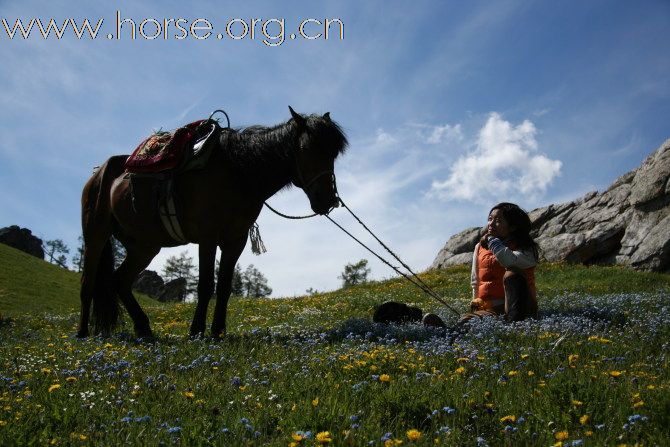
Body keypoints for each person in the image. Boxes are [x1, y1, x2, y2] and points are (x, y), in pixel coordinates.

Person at [423, 202, 539, 328]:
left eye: (498, 220)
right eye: (490, 219)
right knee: (467, 322)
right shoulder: (479, 247)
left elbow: (509, 261)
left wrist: (491, 241)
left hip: (521, 306)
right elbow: (476, 280)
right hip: (491, 309)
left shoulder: (526, 248)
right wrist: (476, 304)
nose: (491, 224)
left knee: (513, 273)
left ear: (513, 227)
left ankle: (516, 327)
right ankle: (448, 333)